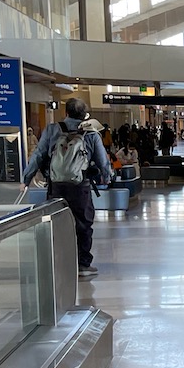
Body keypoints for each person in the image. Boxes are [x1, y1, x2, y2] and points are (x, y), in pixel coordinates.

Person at [23, 98, 113, 278]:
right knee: (83, 223)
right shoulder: (90, 133)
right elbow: (102, 160)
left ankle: (59, 262)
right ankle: (82, 264)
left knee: (55, 222)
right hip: (80, 185)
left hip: (56, 185)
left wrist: (26, 179)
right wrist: (107, 176)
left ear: (66, 113)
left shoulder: (52, 129)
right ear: (84, 115)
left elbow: (39, 154)